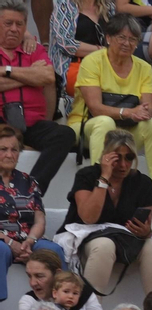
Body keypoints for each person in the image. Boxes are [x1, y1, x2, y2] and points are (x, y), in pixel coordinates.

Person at [59, 129, 152, 298]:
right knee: (104, 245)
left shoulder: (142, 182)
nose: (123, 165)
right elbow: (88, 217)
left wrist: (146, 232)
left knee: (150, 246)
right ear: (106, 156)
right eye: (117, 157)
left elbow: (147, 224)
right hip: (86, 234)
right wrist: (104, 179)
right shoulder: (87, 176)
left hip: (124, 238)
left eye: (129, 157)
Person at [67, 15, 152, 181]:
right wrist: (128, 112)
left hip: (125, 130)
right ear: (108, 38)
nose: (127, 43)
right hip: (85, 126)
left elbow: (147, 108)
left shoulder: (144, 68)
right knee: (105, 122)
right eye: (122, 37)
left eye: (133, 39)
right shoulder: (92, 62)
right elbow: (95, 108)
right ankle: (99, 181)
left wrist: (144, 112)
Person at [0, 0, 72, 194]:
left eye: (20, 24)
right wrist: (29, 76)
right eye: (8, 24)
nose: (14, 29)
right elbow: (39, 76)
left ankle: (31, 191)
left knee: (64, 134)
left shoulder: (34, 49)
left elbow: (47, 76)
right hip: (2, 120)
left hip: (32, 123)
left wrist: (6, 71)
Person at [0, 127, 63, 303]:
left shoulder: (28, 181)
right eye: (3, 149)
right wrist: (11, 242)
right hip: (2, 241)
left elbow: (39, 219)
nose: (9, 154)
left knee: (54, 250)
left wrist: (30, 241)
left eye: (14, 149)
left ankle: (63, 307)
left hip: (27, 241)